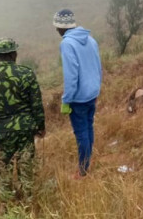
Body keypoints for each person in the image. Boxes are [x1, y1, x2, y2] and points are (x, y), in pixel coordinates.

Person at [0, 38, 45, 203]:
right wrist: (41, 126)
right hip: (25, 129)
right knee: (26, 168)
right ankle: (28, 206)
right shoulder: (27, 73)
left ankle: (8, 208)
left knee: (4, 171)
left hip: (1, 132)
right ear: (14, 53)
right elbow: (36, 103)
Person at [53, 9, 102, 178]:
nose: (57, 31)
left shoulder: (67, 44)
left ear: (61, 27)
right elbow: (98, 67)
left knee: (81, 133)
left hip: (78, 98)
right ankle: (87, 161)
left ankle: (83, 170)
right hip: (92, 93)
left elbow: (71, 75)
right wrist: (96, 89)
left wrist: (66, 100)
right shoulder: (90, 39)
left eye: (57, 28)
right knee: (88, 128)